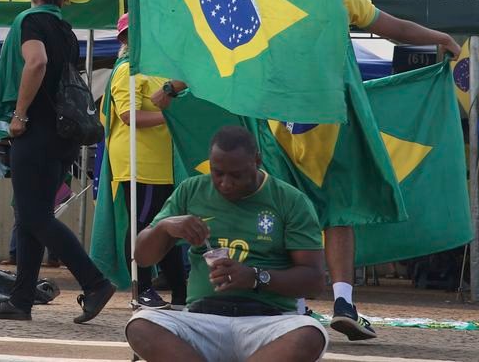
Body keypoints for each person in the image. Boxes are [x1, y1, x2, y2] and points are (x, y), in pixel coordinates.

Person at [316, 0, 463, 340]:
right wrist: (441, 36)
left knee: (290, 209)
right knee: (339, 211)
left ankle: (293, 306)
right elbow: (394, 28)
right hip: (332, 116)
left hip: (281, 119)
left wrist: (177, 84)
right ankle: (343, 303)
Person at [125, 125, 327, 362]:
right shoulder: (192, 190)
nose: (225, 183)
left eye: (236, 175)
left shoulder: (290, 200)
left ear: (257, 161)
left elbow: (314, 281)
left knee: (310, 335)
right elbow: (143, 257)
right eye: (217, 172)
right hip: (201, 320)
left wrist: (255, 277)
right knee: (140, 326)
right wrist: (165, 227)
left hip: (268, 322)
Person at [0, 0, 116, 323]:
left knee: (32, 214)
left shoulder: (31, 21)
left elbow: (36, 62)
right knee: (30, 216)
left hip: (36, 132)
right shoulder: (66, 30)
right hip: (62, 136)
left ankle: (94, 282)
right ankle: (21, 299)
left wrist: (20, 114)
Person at [102, 12, 187, 310]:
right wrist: (171, 116)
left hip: (160, 161)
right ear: (126, 39)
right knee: (143, 224)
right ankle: (143, 289)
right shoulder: (126, 70)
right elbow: (129, 116)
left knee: (165, 225)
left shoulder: (155, 70)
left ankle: (180, 291)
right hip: (138, 160)